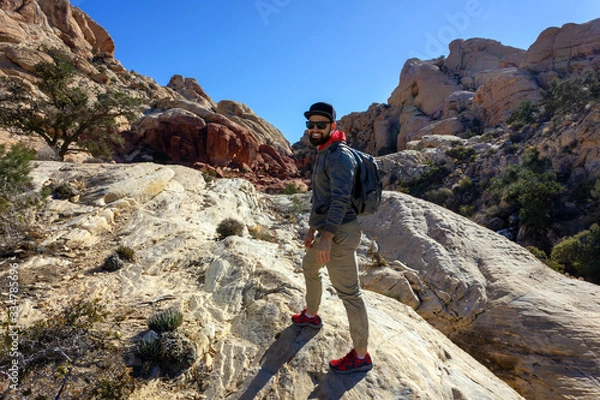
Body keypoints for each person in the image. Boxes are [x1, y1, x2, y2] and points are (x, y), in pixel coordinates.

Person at [291, 102, 373, 374]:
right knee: (310, 266)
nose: (314, 129)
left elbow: (340, 199)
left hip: (339, 232)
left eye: (320, 125)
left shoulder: (339, 155)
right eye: (311, 125)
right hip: (326, 230)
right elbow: (321, 198)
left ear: (333, 127)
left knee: (350, 294)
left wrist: (326, 237)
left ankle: (361, 357)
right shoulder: (324, 151)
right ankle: (311, 316)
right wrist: (313, 229)